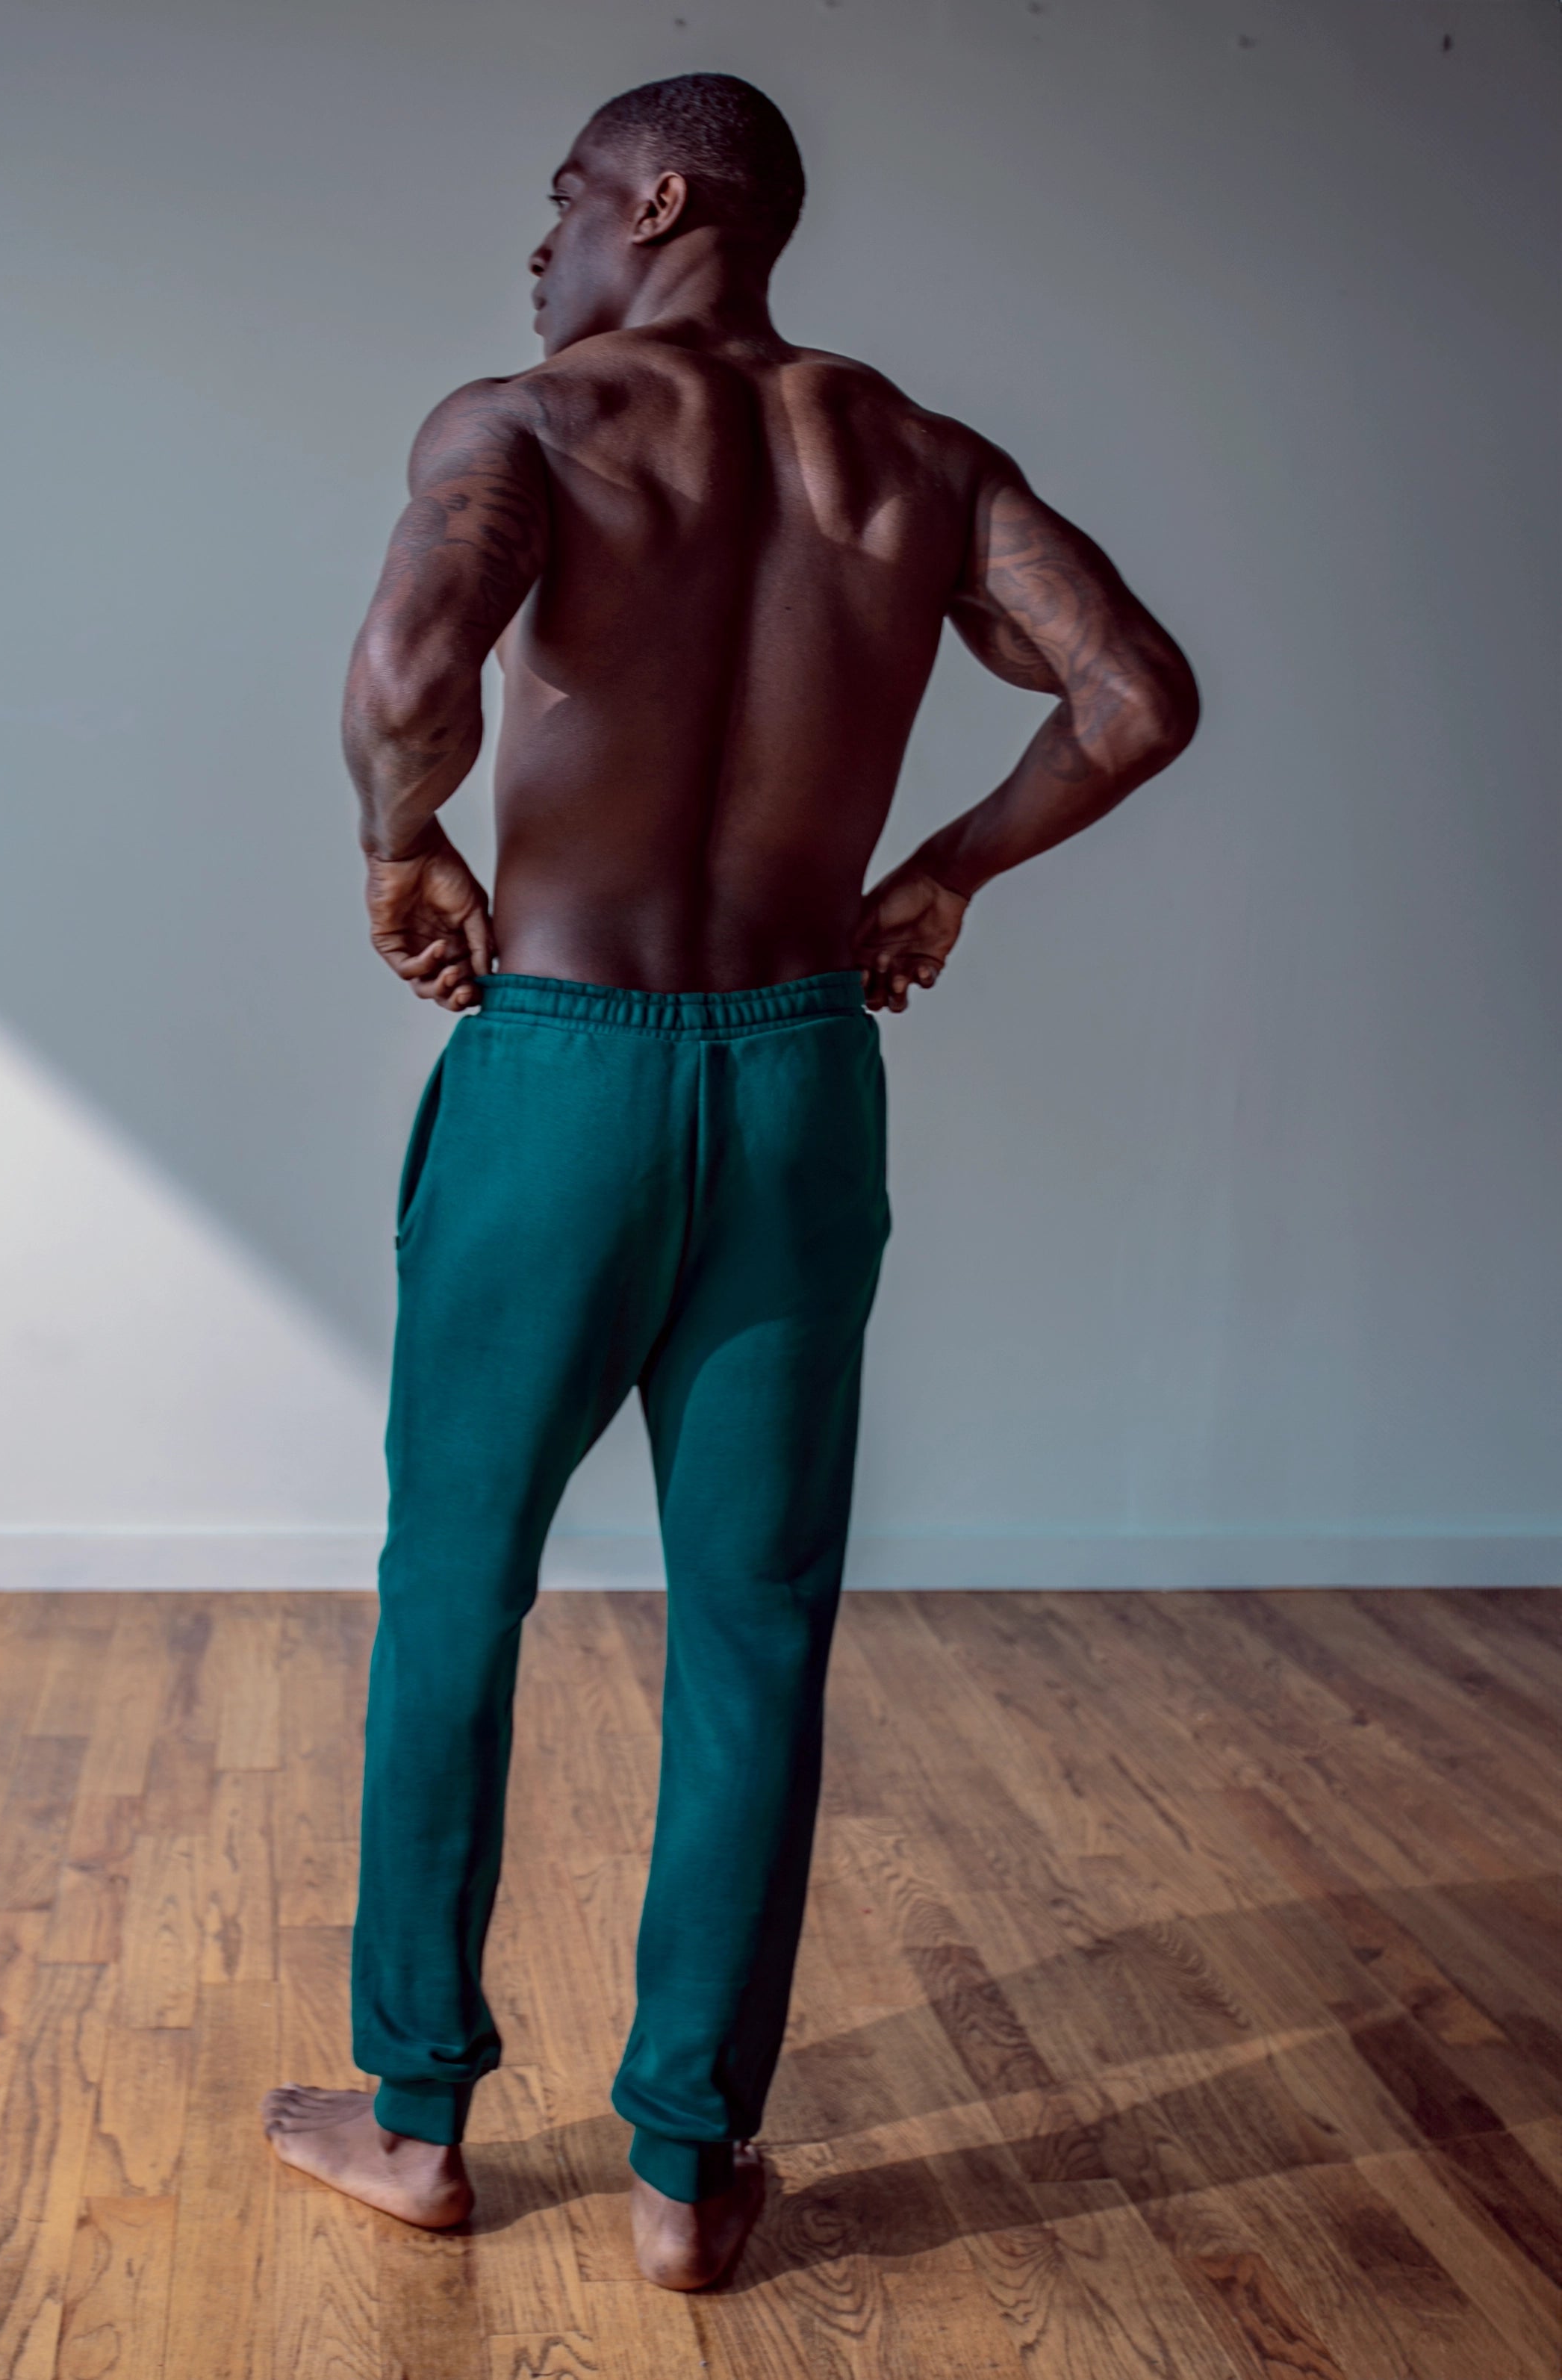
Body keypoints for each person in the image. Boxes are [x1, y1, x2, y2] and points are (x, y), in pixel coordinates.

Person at [262, 70, 1198, 2290]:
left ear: (662, 196)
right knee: (757, 1625)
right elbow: (1136, 695)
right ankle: (690, 2175)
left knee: (456, 1580)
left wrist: (406, 850)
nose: (545, 238)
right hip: (798, 1072)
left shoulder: (524, 422)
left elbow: (410, 672)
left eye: (567, 195)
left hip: (564, 1073)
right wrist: (947, 867)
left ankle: (415, 2123)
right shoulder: (918, 462)